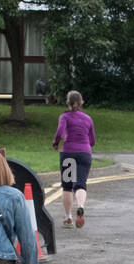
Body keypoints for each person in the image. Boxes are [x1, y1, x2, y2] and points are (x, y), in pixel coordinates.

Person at [53, 90, 95, 227]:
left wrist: (56, 142)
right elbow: (92, 140)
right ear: (81, 102)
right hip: (84, 154)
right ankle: (81, 205)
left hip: (68, 154)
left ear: (67, 103)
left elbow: (60, 131)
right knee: (81, 184)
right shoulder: (88, 118)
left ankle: (68, 216)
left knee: (67, 186)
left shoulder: (64, 117)